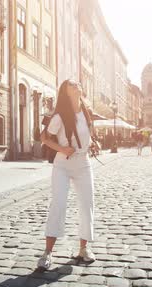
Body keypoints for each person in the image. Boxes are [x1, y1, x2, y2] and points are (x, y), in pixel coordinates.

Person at [38, 80, 97, 270]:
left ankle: (84, 249)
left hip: (83, 163)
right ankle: (47, 253)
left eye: (78, 83)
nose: (77, 85)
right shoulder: (61, 115)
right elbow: (44, 138)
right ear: (66, 91)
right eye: (72, 84)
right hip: (62, 164)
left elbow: (87, 134)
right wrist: (62, 148)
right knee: (59, 204)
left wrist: (93, 143)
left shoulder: (87, 111)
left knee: (87, 204)